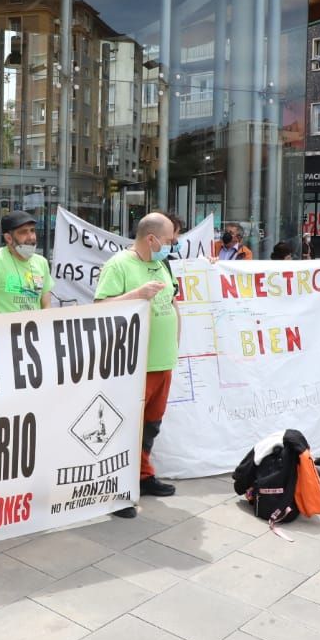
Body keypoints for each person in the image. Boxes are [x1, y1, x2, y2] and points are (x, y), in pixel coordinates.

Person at [94, 212, 181, 516]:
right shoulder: (118, 265)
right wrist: (136, 295)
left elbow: (172, 303)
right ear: (151, 239)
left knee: (150, 425)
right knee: (124, 427)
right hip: (133, 365)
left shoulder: (162, 264)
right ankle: (115, 489)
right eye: (170, 240)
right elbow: (99, 308)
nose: (174, 245)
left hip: (162, 361)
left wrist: (176, 343)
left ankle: (142, 476)